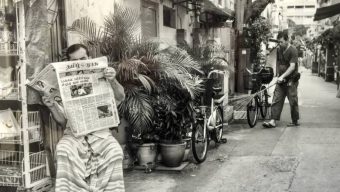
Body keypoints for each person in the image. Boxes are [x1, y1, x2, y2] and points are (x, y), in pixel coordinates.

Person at [42, 44, 125, 192]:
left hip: (101, 135)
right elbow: (61, 122)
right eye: (74, 61)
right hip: (74, 135)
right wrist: (51, 106)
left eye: (83, 59)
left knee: (115, 151)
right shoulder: (62, 84)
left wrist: (113, 80)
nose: (79, 63)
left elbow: (120, 96)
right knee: (63, 149)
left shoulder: (104, 75)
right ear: (69, 63)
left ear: (90, 58)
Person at [263, 31, 300, 128]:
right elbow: (279, 63)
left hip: (291, 79)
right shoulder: (279, 49)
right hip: (281, 79)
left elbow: (292, 67)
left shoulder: (293, 50)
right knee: (276, 99)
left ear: (287, 40)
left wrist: (282, 76)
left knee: (293, 101)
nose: (280, 44)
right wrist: (278, 75)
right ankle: (273, 120)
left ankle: (295, 120)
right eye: (278, 42)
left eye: (282, 42)